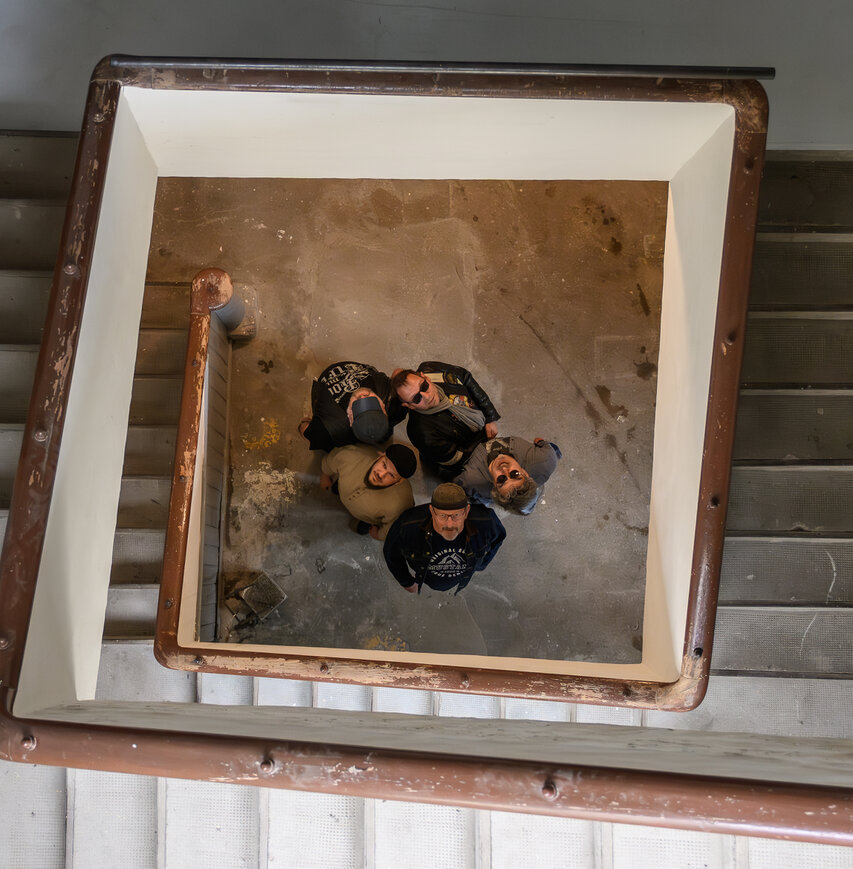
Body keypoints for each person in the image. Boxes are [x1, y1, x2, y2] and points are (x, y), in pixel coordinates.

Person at [383, 483, 506, 594]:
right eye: (442, 516)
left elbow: (499, 538)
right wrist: (406, 582)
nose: (450, 524)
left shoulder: (486, 521)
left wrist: (482, 564)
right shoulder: (407, 525)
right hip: (427, 579)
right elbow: (391, 553)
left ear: (466, 511)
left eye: (456, 515)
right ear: (432, 511)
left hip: (459, 578)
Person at [390, 362, 500, 478]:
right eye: (417, 398)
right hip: (462, 458)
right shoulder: (421, 433)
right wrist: (487, 443)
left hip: (480, 429)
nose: (427, 396)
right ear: (409, 406)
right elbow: (459, 460)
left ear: (425, 377)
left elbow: (465, 377)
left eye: (424, 387)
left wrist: (490, 417)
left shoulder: (432, 369)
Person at [299, 361, 406, 452]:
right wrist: (310, 422)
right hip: (330, 376)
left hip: (345, 367)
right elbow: (305, 429)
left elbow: (399, 373)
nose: (362, 396)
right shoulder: (334, 428)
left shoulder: (392, 399)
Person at [320, 443, 418, 540]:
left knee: (360, 528)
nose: (381, 474)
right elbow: (330, 460)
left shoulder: (400, 505)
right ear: (381, 456)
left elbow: (393, 528)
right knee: (336, 489)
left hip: (366, 520)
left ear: (399, 481)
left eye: (391, 475)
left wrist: (379, 535)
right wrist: (325, 476)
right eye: (384, 465)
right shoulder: (350, 456)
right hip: (342, 489)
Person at [455, 436, 561, 515]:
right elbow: (540, 441)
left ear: (494, 485)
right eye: (515, 474)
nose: (504, 469)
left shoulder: (471, 480)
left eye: (501, 479)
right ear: (525, 473)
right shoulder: (545, 461)